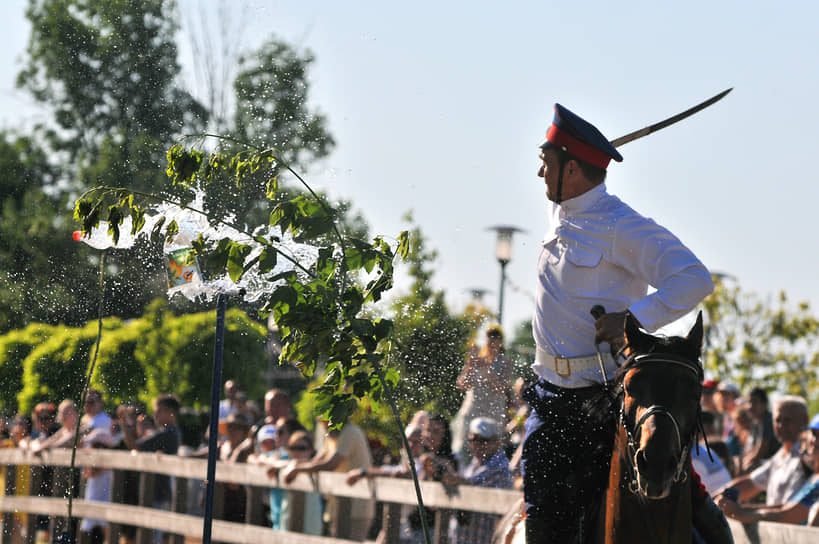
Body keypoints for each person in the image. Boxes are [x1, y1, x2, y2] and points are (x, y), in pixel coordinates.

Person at [521, 103, 724, 543]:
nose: (540, 174)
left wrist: (633, 318)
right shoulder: (562, 209)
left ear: (571, 169)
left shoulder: (622, 225)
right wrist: (581, 152)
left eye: (546, 164)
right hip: (548, 395)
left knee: (681, 510)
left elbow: (694, 279)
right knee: (540, 513)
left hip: (604, 396)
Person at [283, 416, 374, 541]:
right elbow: (316, 461)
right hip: (336, 506)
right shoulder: (332, 436)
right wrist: (290, 465)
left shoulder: (350, 432)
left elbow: (331, 464)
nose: (323, 425)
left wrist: (297, 469)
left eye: (325, 421)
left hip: (356, 509)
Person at [718, 413, 819, 525]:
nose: (815, 441)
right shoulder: (815, 477)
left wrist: (738, 513)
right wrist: (740, 509)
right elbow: (788, 506)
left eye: (788, 420)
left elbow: (788, 515)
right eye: (814, 434)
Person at [715, 395, 810, 508]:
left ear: (805, 420)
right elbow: (749, 484)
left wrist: (740, 511)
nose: (781, 425)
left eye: (787, 420)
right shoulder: (781, 456)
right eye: (777, 420)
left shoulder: (810, 458)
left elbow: (792, 510)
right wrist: (710, 500)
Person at [120, 394, 181, 544]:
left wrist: (123, 423)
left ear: (170, 413)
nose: (155, 414)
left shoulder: (168, 433)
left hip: (157, 492)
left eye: (159, 411)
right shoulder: (172, 433)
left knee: (154, 538)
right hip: (160, 491)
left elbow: (134, 445)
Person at [442, 417, 513, 544]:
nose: (477, 445)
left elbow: (470, 483)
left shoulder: (500, 467)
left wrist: (445, 473)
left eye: (483, 440)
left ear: (497, 442)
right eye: (473, 439)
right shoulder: (476, 463)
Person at [452, 325, 514, 463]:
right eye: (489, 339)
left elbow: (503, 388)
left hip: (493, 412)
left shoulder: (505, 362)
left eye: (495, 339)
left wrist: (488, 371)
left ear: (500, 342)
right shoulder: (478, 360)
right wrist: (470, 365)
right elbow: (462, 385)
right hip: (472, 410)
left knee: (491, 448)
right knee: (465, 447)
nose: (491, 343)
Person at [743, 387, 779, 471]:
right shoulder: (755, 423)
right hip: (763, 463)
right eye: (749, 402)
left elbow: (761, 450)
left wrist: (746, 463)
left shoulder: (769, 421)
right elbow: (751, 449)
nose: (750, 406)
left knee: (748, 468)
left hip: (773, 464)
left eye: (754, 402)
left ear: (764, 404)